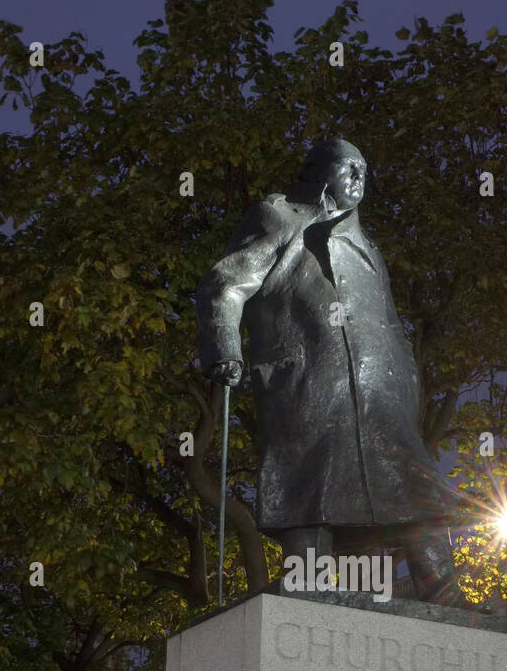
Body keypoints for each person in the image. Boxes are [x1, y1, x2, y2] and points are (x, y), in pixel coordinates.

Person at [196, 137, 467, 605]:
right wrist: (224, 346)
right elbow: (226, 284)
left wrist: (406, 381)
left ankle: (443, 593)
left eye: (365, 169)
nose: (359, 179)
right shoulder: (278, 218)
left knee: (413, 481)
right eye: (348, 168)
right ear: (318, 171)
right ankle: (306, 584)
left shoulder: (368, 245)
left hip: (380, 390)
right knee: (309, 480)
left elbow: (388, 320)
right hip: (308, 376)